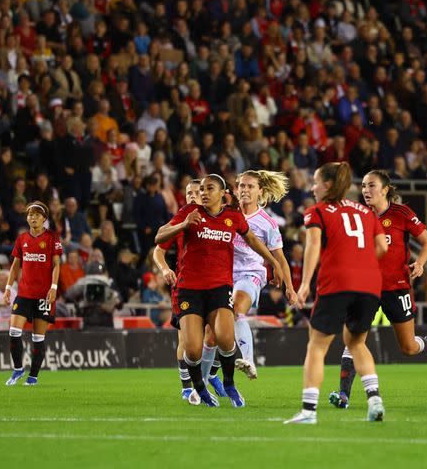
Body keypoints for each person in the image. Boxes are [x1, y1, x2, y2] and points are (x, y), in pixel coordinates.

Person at [154, 174, 284, 407]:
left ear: (222, 193)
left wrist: (273, 262)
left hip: (219, 288)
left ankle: (230, 385)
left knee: (225, 338)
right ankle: (200, 388)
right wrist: (184, 225)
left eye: (209, 188)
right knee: (192, 350)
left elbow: (253, 240)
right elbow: (159, 237)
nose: (203, 193)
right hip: (189, 290)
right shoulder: (189, 212)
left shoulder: (232, 217)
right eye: (201, 189)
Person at [331, 170, 427, 409]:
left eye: (371, 185)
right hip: (365, 288)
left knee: (408, 347)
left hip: (397, 287)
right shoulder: (358, 216)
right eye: (363, 185)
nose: (366, 190)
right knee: (354, 341)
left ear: (385, 189)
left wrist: (421, 263)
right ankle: (343, 396)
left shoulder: (401, 213)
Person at [286, 162, 387, 425]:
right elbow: (381, 247)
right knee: (356, 344)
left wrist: (305, 282)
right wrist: (362, 263)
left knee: (317, 346)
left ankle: (308, 411)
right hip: (370, 284)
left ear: (328, 185)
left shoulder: (317, 211)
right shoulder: (366, 212)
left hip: (338, 283)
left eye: (315, 182)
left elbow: (313, 245)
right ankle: (374, 400)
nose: (312, 187)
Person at [231, 170, 297, 380]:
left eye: (250, 186)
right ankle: (205, 382)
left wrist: (290, 287)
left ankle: (249, 360)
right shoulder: (226, 213)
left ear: (260, 191)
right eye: (242, 185)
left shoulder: (267, 222)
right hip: (223, 274)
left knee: (237, 309)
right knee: (212, 333)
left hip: (251, 273)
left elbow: (280, 258)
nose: (245, 190)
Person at [152, 178, 204, 402]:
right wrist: (164, 270)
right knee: (185, 338)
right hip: (186, 286)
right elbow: (158, 250)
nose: (192, 196)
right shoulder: (182, 219)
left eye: (197, 192)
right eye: (189, 193)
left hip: (213, 286)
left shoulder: (217, 218)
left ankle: (210, 379)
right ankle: (186, 386)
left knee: (211, 338)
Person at [3, 201, 62, 386]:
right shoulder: (21, 239)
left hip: (44, 295)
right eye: (30, 215)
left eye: (37, 214)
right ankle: (18, 369)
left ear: (44, 218)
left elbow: (56, 265)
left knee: (38, 337)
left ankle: (33, 376)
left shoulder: (52, 238)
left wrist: (53, 287)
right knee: (13, 332)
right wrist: (7, 287)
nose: (33, 218)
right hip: (24, 293)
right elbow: (15, 266)